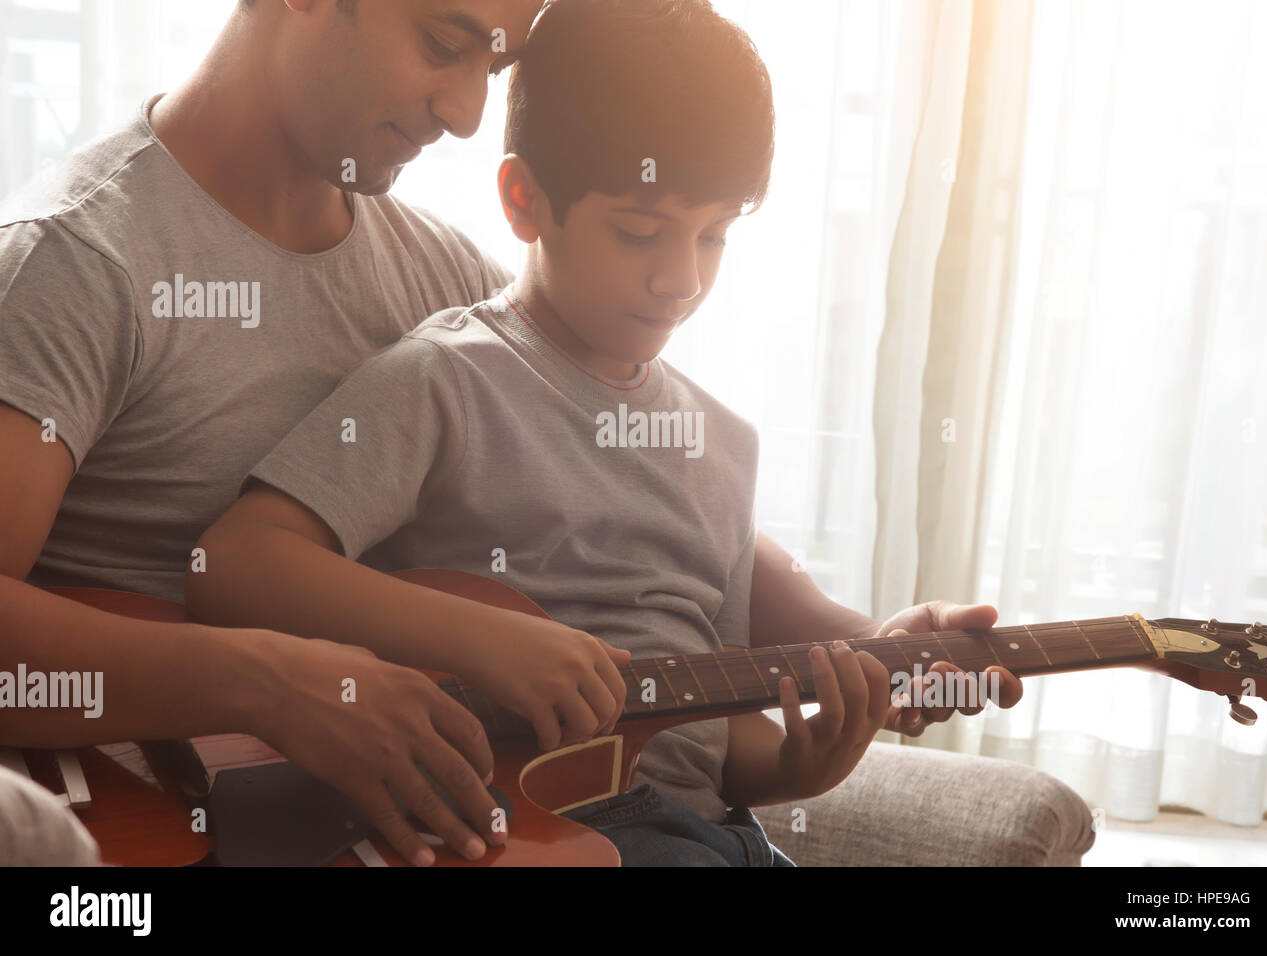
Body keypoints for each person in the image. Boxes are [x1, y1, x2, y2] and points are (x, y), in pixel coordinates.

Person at [0, 0, 1017, 866]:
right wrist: (273, 680)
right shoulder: (77, 263)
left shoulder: (443, 274)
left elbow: (617, 498)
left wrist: (861, 635)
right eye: (445, 39)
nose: (466, 108)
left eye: (497, 56)